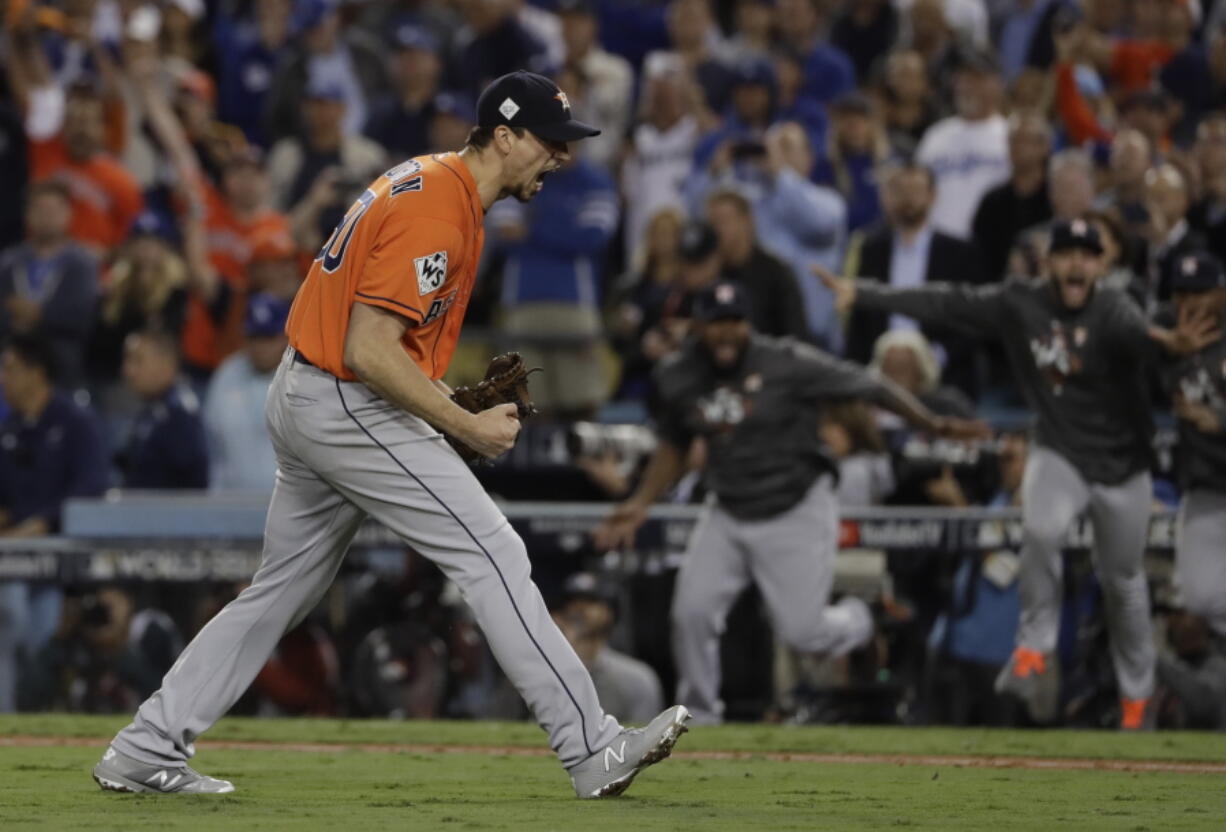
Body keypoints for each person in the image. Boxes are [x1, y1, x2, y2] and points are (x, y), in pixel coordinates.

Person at [94, 71, 689, 799]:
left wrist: (435, 397)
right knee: (491, 552)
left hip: (311, 389)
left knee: (278, 590)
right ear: (503, 137)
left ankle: (145, 745)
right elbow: (369, 349)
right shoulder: (441, 210)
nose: (561, 157)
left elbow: (381, 346)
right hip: (344, 399)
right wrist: (461, 421)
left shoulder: (436, 181)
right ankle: (592, 746)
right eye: (550, 141)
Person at [819, 218, 1218, 729]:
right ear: (1050, 262)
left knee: (1123, 579)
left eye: (1087, 254)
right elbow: (947, 301)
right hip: (1059, 453)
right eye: (1066, 252)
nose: (1076, 263)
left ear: (1101, 264)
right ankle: (1033, 646)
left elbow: (1141, 338)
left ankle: (1136, 698)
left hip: (1122, 466)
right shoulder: (1020, 302)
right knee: (1041, 528)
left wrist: (1168, 344)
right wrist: (866, 292)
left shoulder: (1113, 306)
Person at [594, 281, 986, 725]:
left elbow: (870, 385)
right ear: (699, 327)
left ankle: (863, 616)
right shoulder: (678, 374)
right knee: (691, 613)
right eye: (715, 324)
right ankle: (700, 717)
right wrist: (642, 500)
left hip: (795, 504)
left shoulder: (786, 360)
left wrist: (930, 421)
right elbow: (675, 442)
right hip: (729, 508)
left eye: (734, 323)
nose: (725, 333)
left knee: (804, 633)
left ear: (747, 326)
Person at [0, 335, 108, 713]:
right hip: (13, 560)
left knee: (35, 638)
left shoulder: (74, 421)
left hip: (64, 565)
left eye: (10, 369)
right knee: (9, 618)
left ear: (37, 372)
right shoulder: (11, 429)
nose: (3, 378)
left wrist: (40, 525)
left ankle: (29, 715)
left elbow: (92, 487)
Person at [843, 161, 984, 399]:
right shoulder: (872, 249)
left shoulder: (960, 252)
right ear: (888, 197)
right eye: (900, 190)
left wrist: (934, 358)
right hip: (879, 375)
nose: (908, 198)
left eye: (916, 190)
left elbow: (972, 320)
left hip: (943, 377)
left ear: (932, 196)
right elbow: (860, 320)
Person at [1161, 253, 1226, 643]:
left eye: (1199, 293)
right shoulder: (1171, 339)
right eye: (1182, 294)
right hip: (1205, 495)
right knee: (1196, 604)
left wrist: (1220, 420)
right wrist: (1169, 348)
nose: (1189, 303)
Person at [0, 181, 98, 389]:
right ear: (28, 214)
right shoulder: (8, 262)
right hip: (9, 367)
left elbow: (81, 316)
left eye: (53, 209)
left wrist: (37, 314)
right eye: (40, 209)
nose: (47, 216)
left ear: (68, 214)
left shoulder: (82, 264)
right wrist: (13, 317)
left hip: (62, 371)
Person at [915, 48, 1010, 240]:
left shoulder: (1010, 135)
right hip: (940, 247)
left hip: (991, 245)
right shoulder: (935, 136)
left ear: (998, 84)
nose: (968, 86)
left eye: (977, 78)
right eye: (962, 78)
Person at [204, 294, 291, 491]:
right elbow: (211, 443)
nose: (261, 347)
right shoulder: (227, 375)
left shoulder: (302, 378)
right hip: (229, 503)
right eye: (254, 337)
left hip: (286, 507)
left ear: (286, 337)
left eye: (268, 338)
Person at [553, 572, 664, 724]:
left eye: (590, 603)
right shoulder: (544, 672)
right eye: (570, 603)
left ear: (609, 613)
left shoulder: (636, 678)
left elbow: (647, 739)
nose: (578, 609)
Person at [705, 189, 809, 341]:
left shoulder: (776, 273)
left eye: (723, 221)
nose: (716, 230)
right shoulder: (708, 275)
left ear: (747, 221)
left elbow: (797, 337)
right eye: (712, 223)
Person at [116, 330, 209, 490]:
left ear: (167, 364)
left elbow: (192, 484)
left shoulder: (181, 412)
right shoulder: (153, 409)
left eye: (138, 361)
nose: (128, 370)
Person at [971, 113, 1053, 282]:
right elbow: (979, 257)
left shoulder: (1056, 196)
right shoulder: (992, 201)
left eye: (1026, 140)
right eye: (1013, 140)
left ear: (1044, 147)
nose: (1017, 147)